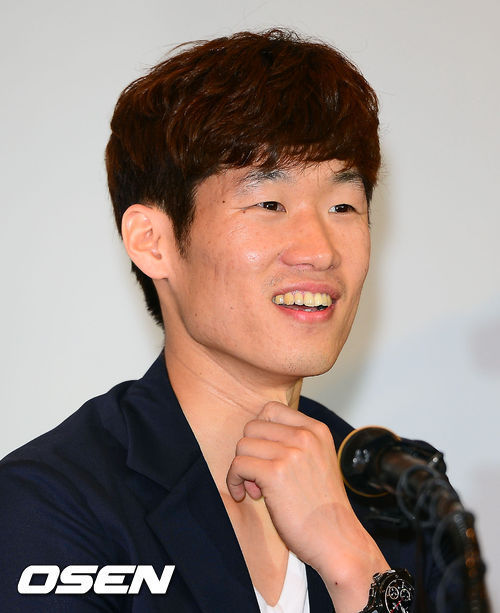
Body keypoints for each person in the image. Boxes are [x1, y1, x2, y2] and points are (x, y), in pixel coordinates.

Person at [0, 29, 438, 612]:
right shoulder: (51, 504)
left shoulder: (400, 494)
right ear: (152, 241)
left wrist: (355, 564)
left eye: (343, 206)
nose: (320, 250)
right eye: (270, 204)